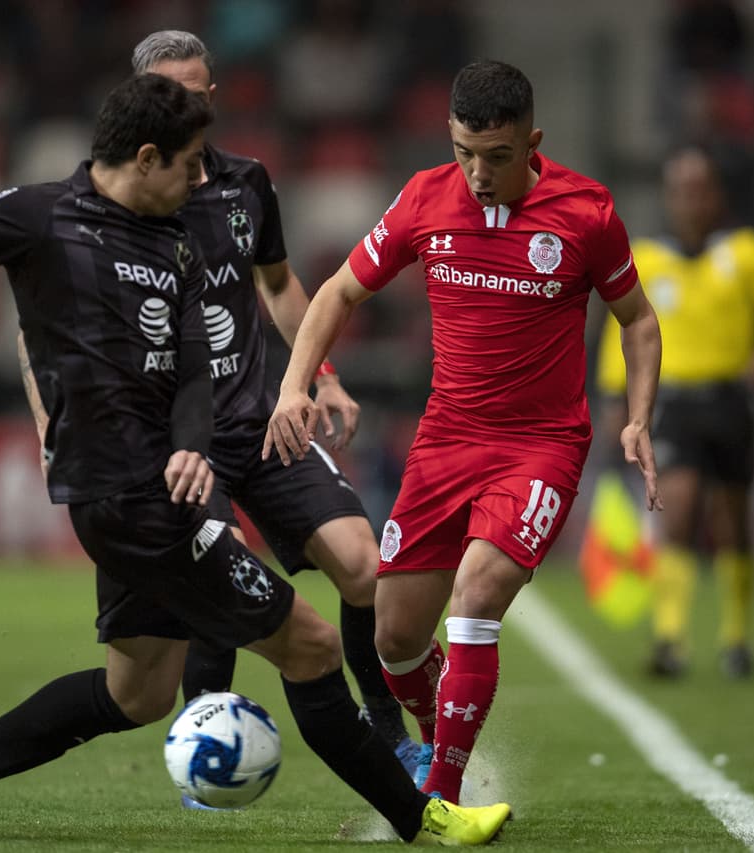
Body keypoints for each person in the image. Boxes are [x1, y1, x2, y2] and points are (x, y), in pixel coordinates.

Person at [0, 73, 510, 845]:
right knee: (310, 644)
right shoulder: (38, 218)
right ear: (144, 156)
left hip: (155, 492)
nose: (202, 176)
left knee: (137, 693)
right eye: (190, 161)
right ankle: (425, 820)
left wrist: (193, 446)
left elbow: (197, 363)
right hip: (126, 501)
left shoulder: (174, 240)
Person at [16, 32, 415, 797]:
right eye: (171, 93)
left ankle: (391, 737)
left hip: (259, 416)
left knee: (366, 566)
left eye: (198, 93)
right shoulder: (94, 205)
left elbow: (277, 283)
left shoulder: (247, 184)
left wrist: (320, 374)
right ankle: (204, 749)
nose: (188, 106)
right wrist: (49, 424)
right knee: (219, 563)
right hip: (171, 440)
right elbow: (35, 332)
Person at [264, 60, 663, 805]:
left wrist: (639, 414)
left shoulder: (587, 212)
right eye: (464, 151)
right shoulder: (425, 198)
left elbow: (637, 320)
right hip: (446, 440)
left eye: (498, 157)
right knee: (394, 643)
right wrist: (294, 386)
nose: (478, 174)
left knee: (475, 596)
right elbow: (340, 291)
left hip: (541, 445)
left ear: (533, 141)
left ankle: (439, 800)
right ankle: (437, 735)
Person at [595, 145, 754, 679]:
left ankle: (736, 638)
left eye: (700, 190)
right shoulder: (645, 255)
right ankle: (670, 638)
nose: (690, 201)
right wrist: (611, 396)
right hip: (672, 404)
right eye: (680, 191)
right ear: (669, 198)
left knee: (732, 520)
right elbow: (622, 330)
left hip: (732, 401)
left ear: (717, 196)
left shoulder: (745, 252)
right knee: (679, 507)